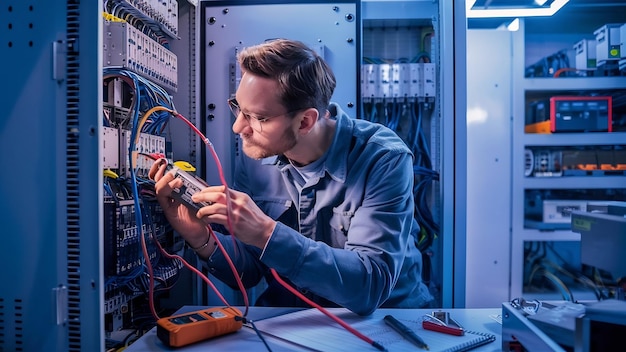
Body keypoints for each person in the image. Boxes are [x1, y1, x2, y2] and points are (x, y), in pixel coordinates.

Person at [149, 38, 434, 316]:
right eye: (238, 107)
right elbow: (249, 270)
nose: (238, 128)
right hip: (293, 321)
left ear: (305, 121)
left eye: (257, 117)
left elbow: (369, 286)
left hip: (387, 323)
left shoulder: (382, 158)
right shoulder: (258, 156)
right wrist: (200, 236)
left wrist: (266, 232)